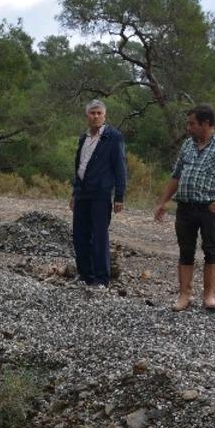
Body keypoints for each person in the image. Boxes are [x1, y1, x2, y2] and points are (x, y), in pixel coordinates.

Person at [153, 103, 215, 311]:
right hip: (185, 206)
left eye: (192, 124)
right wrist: (163, 202)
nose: (188, 128)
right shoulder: (188, 145)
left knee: (211, 250)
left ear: (206, 123)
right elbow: (176, 175)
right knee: (185, 250)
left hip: (209, 208)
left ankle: (209, 296)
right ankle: (184, 295)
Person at [69, 99, 126, 287]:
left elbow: (120, 167)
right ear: (87, 115)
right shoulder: (83, 138)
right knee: (80, 235)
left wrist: (119, 195)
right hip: (82, 193)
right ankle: (85, 275)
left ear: (104, 115)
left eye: (99, 113)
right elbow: (79, 166)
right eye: (92, 113)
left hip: (101, 194)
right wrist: (74, 192)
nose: (95, 116)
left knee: (99, 236)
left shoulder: (113, 137)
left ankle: (101, 278)